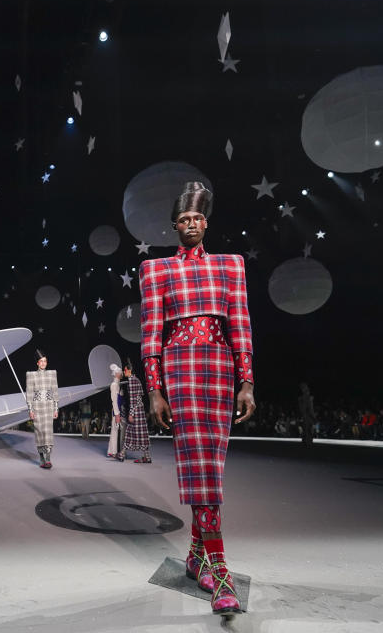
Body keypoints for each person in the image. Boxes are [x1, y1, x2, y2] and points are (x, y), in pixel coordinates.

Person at [140, 181, 256, 615]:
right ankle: (220, 571)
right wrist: (154, 391)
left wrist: (247, 381)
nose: (190, 225)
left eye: (197, 219)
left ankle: (195, 556)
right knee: (200, 464)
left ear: (206, 223)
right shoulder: (156, 270)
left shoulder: (231, 266)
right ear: (175, 227)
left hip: (220, 370)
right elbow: (151, 334)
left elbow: (240, 325)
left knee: (211, 461)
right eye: (183, 220)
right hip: (179, 371)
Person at [25, 349, 59, 469]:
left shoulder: (52, 374)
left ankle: (48, 459)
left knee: (48, 433)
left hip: (49, 407)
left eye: (45, 361)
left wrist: (56, 409)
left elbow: (55, 392)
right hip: (38, 407)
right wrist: (30, 410)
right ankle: (41, 459)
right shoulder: (31, 375)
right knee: (39, 433)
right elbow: (29, 393)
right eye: (41, 361)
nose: (44, 363)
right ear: (37, 363)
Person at [117, 359, 151, 463]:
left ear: (128, 370)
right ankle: (147, 457)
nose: (124, 372)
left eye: (124, 370)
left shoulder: (131, 382)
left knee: (130, 432)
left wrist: (131, 414)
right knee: (142, 434)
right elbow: (139, 397)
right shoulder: (137, 379)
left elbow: (133, 400)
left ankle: (122, 454)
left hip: (136, 411)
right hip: (140, 410)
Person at [106, 364, 124, 458]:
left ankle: (113, 450)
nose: (122, 374)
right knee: (114, 430)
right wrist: (117, 414)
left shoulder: (118, 384)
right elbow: (114, 400)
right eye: (120, 373)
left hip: (119, 409)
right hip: (116, 410)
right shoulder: (114, 385)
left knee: (116, 430)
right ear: (117, 374)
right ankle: (112, 451)